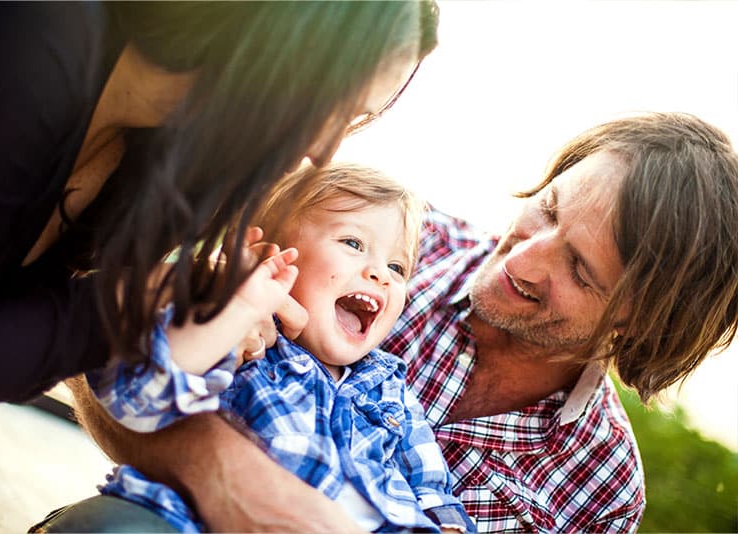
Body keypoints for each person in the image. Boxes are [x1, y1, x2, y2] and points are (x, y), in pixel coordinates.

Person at [60, 111, 738, 533]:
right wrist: (229, 476)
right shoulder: (369, 243)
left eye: (581, 272)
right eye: (550, 210)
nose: (524, 260)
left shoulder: (603, 491)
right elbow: (99, 343)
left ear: (640, 332)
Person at [0, 0, 440, 467]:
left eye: (356, 120)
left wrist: (187, 295)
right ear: (277, 44)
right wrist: (145, 297)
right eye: (335, 105)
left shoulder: (172, 166)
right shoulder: (23, 40)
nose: (327, 149)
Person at [84, 162, 476, 533]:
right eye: (353, 243)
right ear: (271, 256)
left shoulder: (391, 386)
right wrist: (238, 309)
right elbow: (139, 395)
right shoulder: (247, 341)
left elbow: (431, 489)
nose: (380, 274)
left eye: (397, 268)